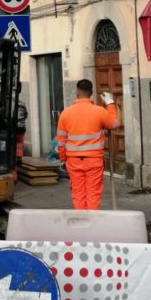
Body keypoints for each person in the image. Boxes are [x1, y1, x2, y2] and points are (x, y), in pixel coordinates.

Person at [56, 79, 120, 210]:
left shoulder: (65, 113)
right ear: (91, 93)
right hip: (93, 161)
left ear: (77, 92)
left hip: (73, 161)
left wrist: (63, 159)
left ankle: (80, 224)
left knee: (78, 194)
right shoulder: (99, 112)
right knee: (93, 194)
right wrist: (110, 103)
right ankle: (92, 225)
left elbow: (61, 140)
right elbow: (114, 124)